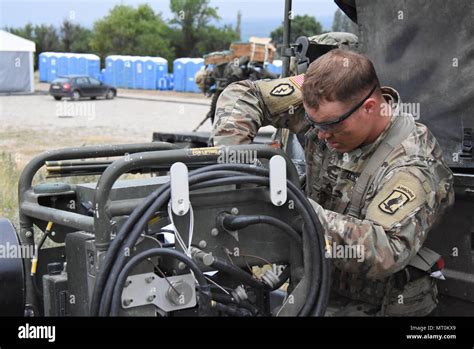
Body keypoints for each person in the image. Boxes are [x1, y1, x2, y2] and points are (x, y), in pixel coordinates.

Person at [209, 48, 454, 316]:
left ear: (370, 108)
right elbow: (244, 94)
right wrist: (235, 161)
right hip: (315, 284)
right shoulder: (328, 103)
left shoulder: (412, 162)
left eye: (329, 126)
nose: (321, 134)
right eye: (313, 123)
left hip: (376, 304)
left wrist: (296, 207)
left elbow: (387, 251)